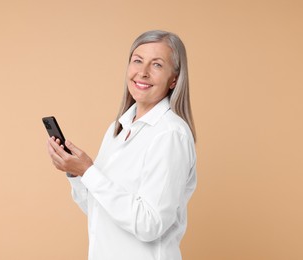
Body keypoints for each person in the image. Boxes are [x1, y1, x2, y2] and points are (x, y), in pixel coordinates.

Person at [47, 30, 197, 260]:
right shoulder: (118, 128)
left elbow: (150, 224)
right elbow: (99, 211)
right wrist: (76, 173)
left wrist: (88, 171)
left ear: (174, 79)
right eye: (137, 60)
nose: (143, 72)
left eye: (156, 65)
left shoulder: (170, 134)